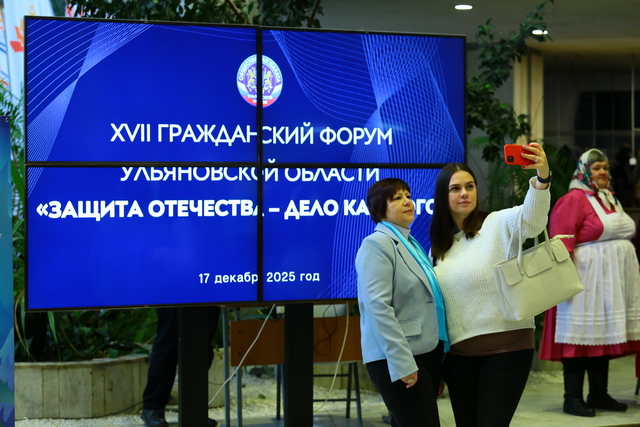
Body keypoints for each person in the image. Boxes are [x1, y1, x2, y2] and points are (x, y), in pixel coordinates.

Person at [429, 142, 551, 427]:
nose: (464, 193)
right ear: (443, 196)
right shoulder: (438, 249)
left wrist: (542, 177)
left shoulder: (497, 223)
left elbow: (532, 220)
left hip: (508, 349)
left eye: (470, 186)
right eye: (455, 188)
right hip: (458, 359)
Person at [539, 148, 640, 417]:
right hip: (583, 280)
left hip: (609, 283)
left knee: (600, 336)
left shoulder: (609, 199)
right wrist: (563, 281)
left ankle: (598, 393)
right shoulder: (574, 199)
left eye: (605, 167)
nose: (603, 172)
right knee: (579, 337)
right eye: (596, 168)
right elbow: (561, 241)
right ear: (585, 171)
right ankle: (572, 398)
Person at [356, 177, 449, 427]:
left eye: (408, 195)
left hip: (425, 352)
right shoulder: (376, 244)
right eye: (397, 198)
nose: (407, 201)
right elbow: (378, 307)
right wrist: (402, 363)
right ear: (379, 210)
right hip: (399, 357)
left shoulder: (411, 243)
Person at [141, 306, 221, 427]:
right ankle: (152, 407)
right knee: (168, 343)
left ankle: (195, 411)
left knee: (202, 345)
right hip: (173, 295)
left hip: (207, 296)